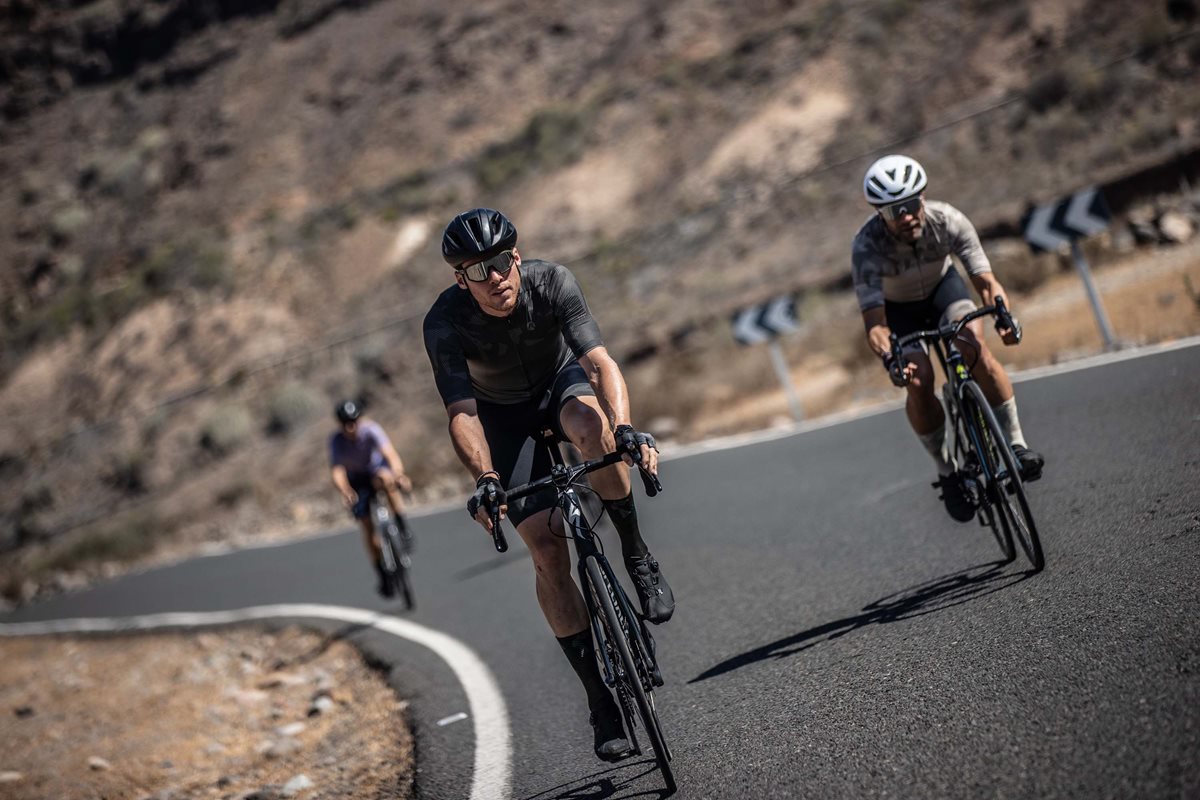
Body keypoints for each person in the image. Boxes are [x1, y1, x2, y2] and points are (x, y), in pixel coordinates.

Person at [422, 207, 673, 762]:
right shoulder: (444, 322)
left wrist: (625, 428)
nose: (494, 278)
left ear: (516, 257)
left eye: (500, 262)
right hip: (500, 416)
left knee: (593, 430)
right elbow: (462, 412)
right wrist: (487, 478)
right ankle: (599, 701)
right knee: (544, 550)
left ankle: (636, 553)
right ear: (460, 279)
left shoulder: (553, 281)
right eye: (477, 270)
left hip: (561, 383)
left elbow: (599, 362)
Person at [851, 154, 1045, 522]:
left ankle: (1017, 445)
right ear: (879, 214)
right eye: (893, 211)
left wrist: (1003, 316)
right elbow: (875, 324)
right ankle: (946, 470)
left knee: (974, 349)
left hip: (944, 291)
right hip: (900, 311)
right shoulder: (866, 246)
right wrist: (892, 359)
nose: (906, 216)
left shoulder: (948, 220)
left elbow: (986, 283)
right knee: (919, 380)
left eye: (911, 204)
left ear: (923, 197)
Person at [328, 399, 414, 597]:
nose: (350, 428)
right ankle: (382, 572)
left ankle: (402, 524)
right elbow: (337, 470)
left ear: (360, 419)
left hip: (375, 472)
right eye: (345, 424)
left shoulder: (371, 430)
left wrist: (398, 474)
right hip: (356, 480)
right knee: (367, 526)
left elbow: (390, 454)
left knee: (386, 479)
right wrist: (345, 490)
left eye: (354, 422)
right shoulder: (336, 441)